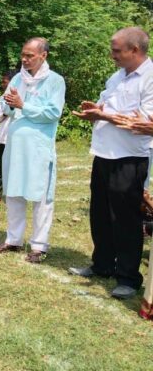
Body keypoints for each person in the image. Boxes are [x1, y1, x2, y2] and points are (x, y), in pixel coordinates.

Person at [70, 27, 153, 299]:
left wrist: (106, 116)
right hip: (104, 153)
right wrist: (94, 111)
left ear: (135, 51)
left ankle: (128, 277)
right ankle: (103, 264)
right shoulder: (117, 77)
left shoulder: (149, 78)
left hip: (130, 157)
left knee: (126, 218)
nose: (112, 55)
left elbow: (142, 122)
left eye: (117, 50)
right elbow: (110, 110)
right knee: (101, 214)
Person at [0, 38, 65, 264]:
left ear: (43, 56)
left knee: (40, 195)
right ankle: (13, 239)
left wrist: (24, 105)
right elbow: (5, 108)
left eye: (30, 55)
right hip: (15, 145)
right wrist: (12, 104)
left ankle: (39, 245)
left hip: (39, 148)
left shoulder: (55, 81)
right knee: (14, 192)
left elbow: (53, 113)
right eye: (23, 54)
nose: (24, 59)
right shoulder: (17, 78)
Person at [0, 70, 17, 205]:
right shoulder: (2, 98)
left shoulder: (22, 97)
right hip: (2, 138)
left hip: (16, 138)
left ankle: (14, 196)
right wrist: (6, 114)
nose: (2, 84)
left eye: (4, 82)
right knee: (0, 167)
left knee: (16, 167)